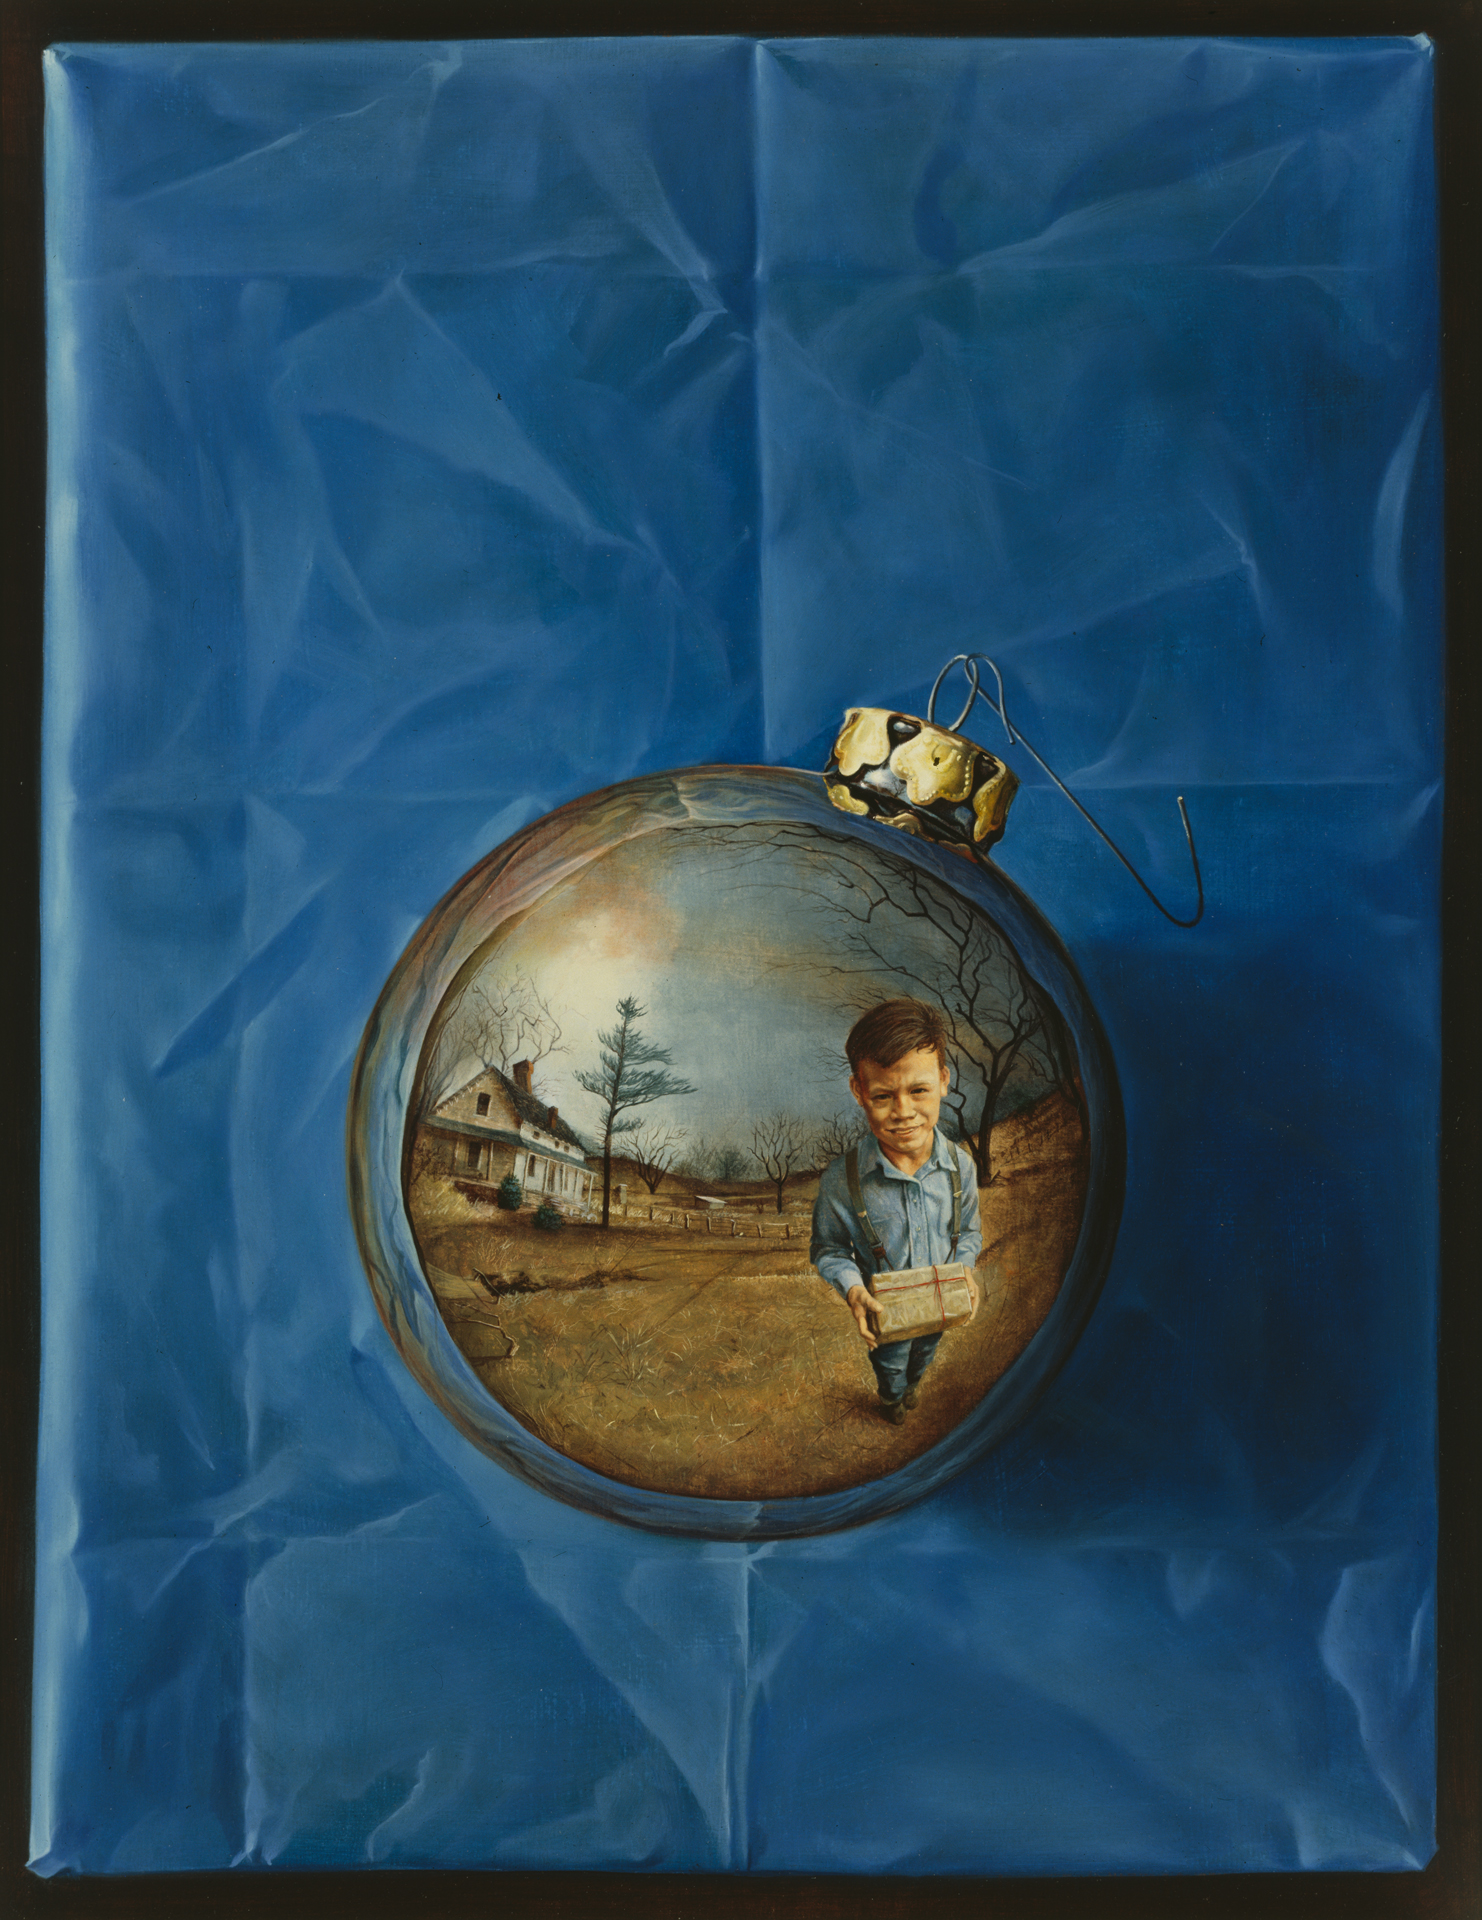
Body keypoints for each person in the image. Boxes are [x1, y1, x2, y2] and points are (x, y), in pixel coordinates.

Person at [811, 999, 982, 1424]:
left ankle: (913, 1384)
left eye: (918, 1090)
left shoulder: (961, 1166)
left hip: (940, 1302)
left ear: (943, 1080)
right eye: (883, 1096)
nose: (903, 1112)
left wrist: (964, 1270)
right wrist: (854, 1290)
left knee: (925, 1353)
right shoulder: (841, 1179)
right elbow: (829, 1249)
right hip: (884, 1310)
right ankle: (891, 1398)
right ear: (859, 1092)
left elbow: (969, 1231)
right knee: (889, 1363)